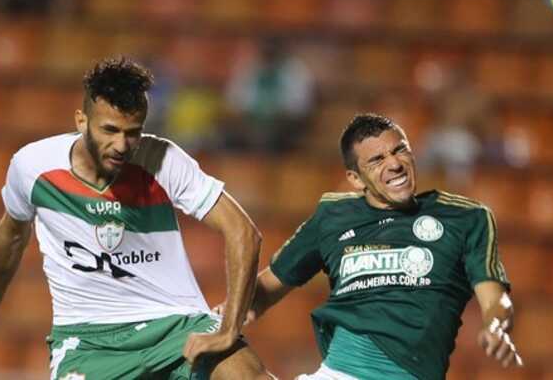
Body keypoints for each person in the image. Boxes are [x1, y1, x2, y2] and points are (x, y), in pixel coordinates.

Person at [0, 57, 273, 380]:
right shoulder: (33, 167)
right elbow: (13, 233)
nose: (121, 145)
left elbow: (243, 232)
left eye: (133, 133)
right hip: (88, 340)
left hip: (176, 325)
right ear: (81, 120)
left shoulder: (162, 160)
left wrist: (229, 329)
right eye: (110, 130)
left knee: (247, 375)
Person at [217, 113, 522, 379]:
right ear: (355, 178)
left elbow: (496, 299)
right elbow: (268, 287)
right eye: (377, 160)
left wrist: (496, 327)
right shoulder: (333, 216)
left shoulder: (465, 217)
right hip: (336, 373)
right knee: (216, 358)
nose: (394, 164)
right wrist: (231, 310)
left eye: (400, 150)